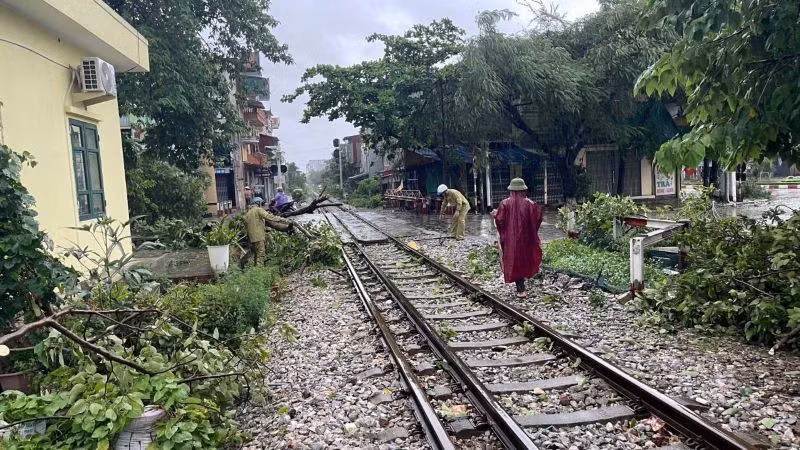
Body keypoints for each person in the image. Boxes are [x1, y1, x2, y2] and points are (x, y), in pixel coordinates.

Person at [491, 178, 543, 298]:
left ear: (511, 190)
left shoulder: (504, 203)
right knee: (525, 259)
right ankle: (523, 284)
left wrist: (495, 214)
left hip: (511, 240)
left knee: (514, 261)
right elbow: (538, 218)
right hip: (526, 239)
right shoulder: (531, 204)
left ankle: (521, 289)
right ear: (524, 190)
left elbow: (500, 220)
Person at [240, 197, 291, 268]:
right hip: (259, 236)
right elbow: (269, 217)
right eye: (262, 203)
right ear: (258, 203)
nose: (263, 205)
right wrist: (283, 220)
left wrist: (266, 228)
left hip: (252, 238)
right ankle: (259, 272)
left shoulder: (248, 213)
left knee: (256, 255)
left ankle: (255, 269)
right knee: (261, 254)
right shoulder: (258, 210)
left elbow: (251, 225)